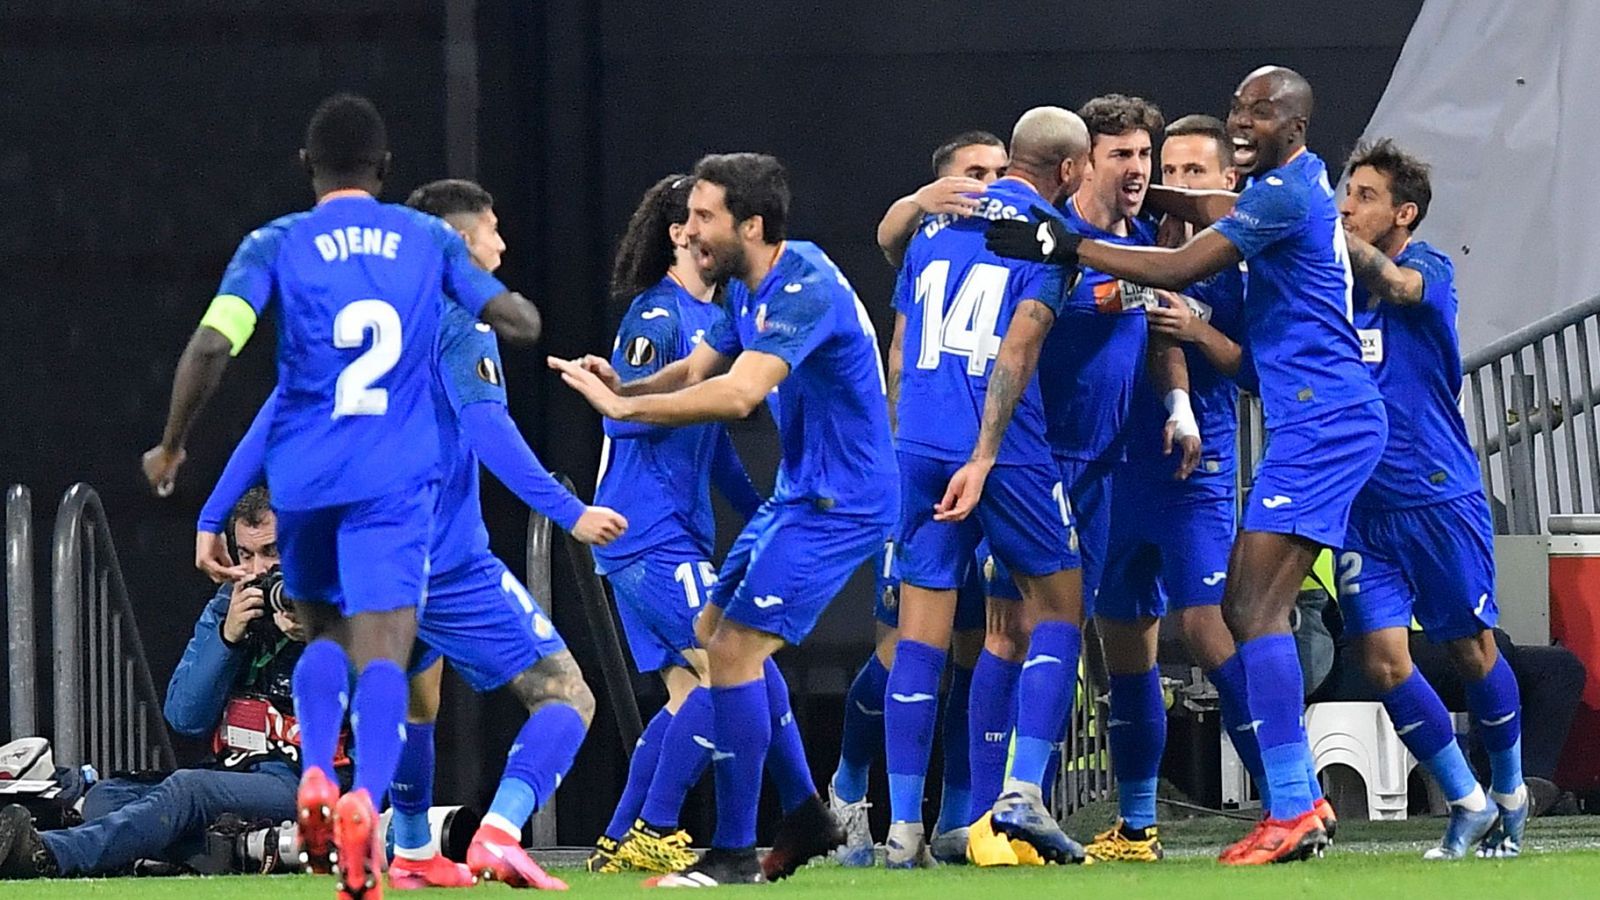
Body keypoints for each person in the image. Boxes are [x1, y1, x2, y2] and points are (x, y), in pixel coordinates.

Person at [985, 66, 1385, 865]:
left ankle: (1293, 803)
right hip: (1296, 421)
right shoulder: (1282, 191)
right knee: (1237, 612)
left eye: (1258, 112)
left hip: (1318, 421)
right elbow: (1207, 216)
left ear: (1297, 128)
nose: (1242, 122)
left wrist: (1068, 242)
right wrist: (1130, 212)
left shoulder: (1278, 197)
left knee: (1246, 613)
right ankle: (1283, 800)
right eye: (1236, 107)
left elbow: (1175, 272)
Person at [197, 176, 623, 891]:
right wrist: (567, 510)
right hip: (445, 558)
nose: (502, 243)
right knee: (567, 695)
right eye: (491, 229)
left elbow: (273, 418)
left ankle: (416, 848)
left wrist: (213, 512)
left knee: (416, 697)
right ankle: (499, 830)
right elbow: (488, 425)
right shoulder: (461, 312)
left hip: (356, 552)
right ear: (458, 240)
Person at [550, 152, 898, 886]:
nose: (690, 228)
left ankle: (734, 849)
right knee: (714, 637)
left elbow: (740, 396)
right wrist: (627, 384)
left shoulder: (800, 284)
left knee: (729, 655)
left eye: (706, 216)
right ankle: (803, 814)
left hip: (844, 500)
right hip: (800, 496)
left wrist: (624, 409)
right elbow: (697, 369)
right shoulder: (746, 288)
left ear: (752, 224)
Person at [877, 107, 1093, 869]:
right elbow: (1019, 347)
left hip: (917, 443)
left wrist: (910, 445)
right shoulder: (1048, 239)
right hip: (1000, 451)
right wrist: (986, 453)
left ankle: (904, 829)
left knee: (920, 631)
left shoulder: (939, 221)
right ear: (1068, 171)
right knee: (1061, 604)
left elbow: (900, 346)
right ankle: (1022, 795)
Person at [826, 131, 1024, 869]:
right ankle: (853, 790)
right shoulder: (928, 241)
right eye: (974, 173)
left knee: (980, 644)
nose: (990, 184)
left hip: (996, 463)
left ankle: (957, 819)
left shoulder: (1016, 241)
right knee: (906, 650)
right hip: (922, 462)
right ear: (940, 187)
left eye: (1001, 171)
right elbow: (900, 347)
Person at [1336, 139, 1529, 858]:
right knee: (1383, 661)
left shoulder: (1428, 269)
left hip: (1437, 495)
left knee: (1472, 650)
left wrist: (1331, 237)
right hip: (1360, 506)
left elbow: (1401, 288)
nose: (1347, 208)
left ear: (1403, 213)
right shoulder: (1335, 286)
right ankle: (1468, 800)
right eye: (1344, 194)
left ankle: (1509, 787)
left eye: (1363, 197)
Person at [1084, 113, 1255, 862]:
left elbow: (1254, 372)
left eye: (1194, 173)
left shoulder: (1241, 268)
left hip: (1196, 473)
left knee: (1209, 629)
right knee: (1128, 655)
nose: (1176, 185)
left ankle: (1292, 799)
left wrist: (1200, 334)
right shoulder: (1129, 249)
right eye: (1169, 171)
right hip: (1120, 475)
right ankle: (1137, 825)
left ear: (1228, 184)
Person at [0, 489, 329, 880]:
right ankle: (228, 852)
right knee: (107, 796)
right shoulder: (230, 605)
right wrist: (227, 639)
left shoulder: (337, 608)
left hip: (307, 782)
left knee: (188, 789)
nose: (258, 570)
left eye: (272, 552)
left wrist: (317, 634)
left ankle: (50, 855)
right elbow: (184, 716)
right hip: (237, 775)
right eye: (245, 555)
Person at [586, 173, 765, 875]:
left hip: (672, 533)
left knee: (691, 692)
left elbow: (714, 445)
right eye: (704, 215)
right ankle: (657, 826)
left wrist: (762, 514)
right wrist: (662, 401)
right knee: (725, 668)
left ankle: (619, 836)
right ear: (680, 233)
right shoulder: (658, 319)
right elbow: (615, 416)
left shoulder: (714, 322)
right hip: (646, 533)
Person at [875, 132, 1009, 267]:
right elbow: (888, 240)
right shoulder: (927, 233)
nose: (994, 183)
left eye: (1001, 174)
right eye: (976, 175)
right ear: (943, 182)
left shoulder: (1025, 222)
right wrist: (918, 201)